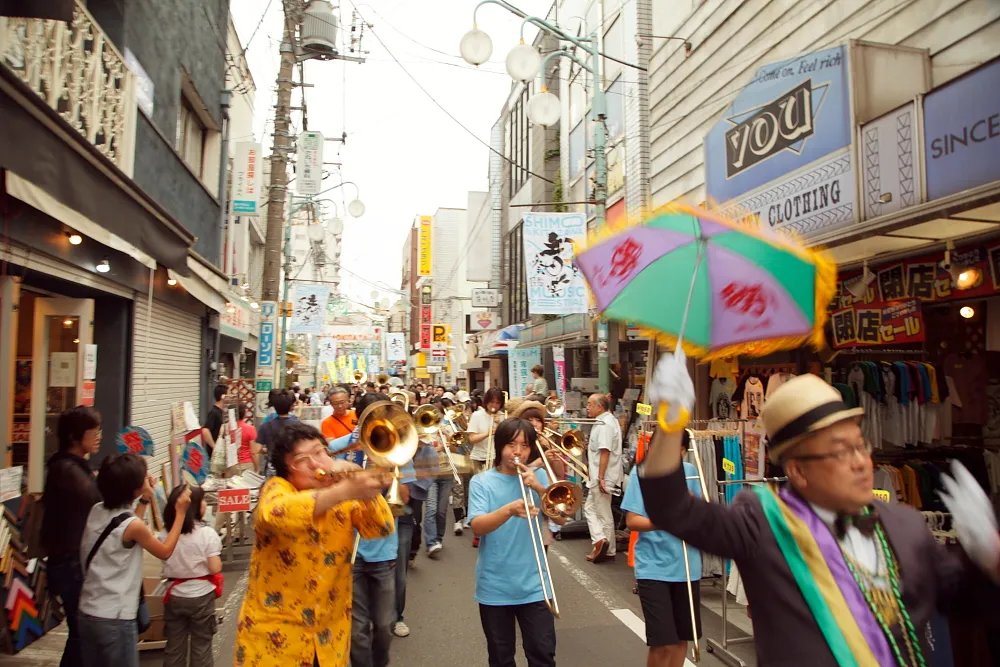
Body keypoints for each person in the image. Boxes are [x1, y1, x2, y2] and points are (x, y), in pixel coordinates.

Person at [639, 355, 1000, 666]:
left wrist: (989, 559)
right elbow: (672, 508)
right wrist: (671, 424)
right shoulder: (763, 523)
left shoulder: (905, 524)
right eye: (841, 451)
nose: (861, 463)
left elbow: (964, 604)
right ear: (798, 471)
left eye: (861, 446)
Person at [234, 421, 393, 667]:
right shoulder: (277, 488)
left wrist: (362, 483)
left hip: (330, 638)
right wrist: (342, 491)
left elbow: (381, 527)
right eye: (301, 460)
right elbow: (273, 513)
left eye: (319, 452)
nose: (317, 464)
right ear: (286, 469)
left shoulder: (342, 493)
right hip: (274, 644)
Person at [78, 453, 192, 667]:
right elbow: (165, 550)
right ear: (133, 488)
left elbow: (127, 526)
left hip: (88, 613)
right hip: (115, 618)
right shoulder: (133, 526)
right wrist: (180, 514)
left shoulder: (97, 511)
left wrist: (144, 499)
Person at [469, 419, 565, 667]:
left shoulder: (538, 476)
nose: (518, 451)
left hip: (536, 585)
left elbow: (561, 519)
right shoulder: (481, 482)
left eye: (524, 445)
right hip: (495, 586)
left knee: (543, 655)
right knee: (501, 659)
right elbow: (478, 526)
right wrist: (509, 510)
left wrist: (540, 488)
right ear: (500, 446)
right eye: (511, 444)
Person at [622, 429, 702, 667]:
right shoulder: (642, 473)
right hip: (653, 568)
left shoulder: (691, 473)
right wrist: (664, 520)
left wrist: (692, 505)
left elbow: (702, 519)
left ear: (683, 451)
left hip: (687, 566)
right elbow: (632, 521)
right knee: (662, 642)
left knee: (681, 640)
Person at [42, 406, 103, 667]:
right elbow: (96, 500)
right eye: (93, 431)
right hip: (69, 563)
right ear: (75, 436)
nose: (99, 436)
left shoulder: (73, 467)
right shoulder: (66, 470)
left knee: (82, 633)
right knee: (82, 633)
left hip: (73, 561)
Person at [351, 459, 417, 667]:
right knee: (358, 630)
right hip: (351, 551)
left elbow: (404, 499)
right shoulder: (345, 449)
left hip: (384, 552)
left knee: (384, 626)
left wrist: (390, 476)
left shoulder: (399, 455)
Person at [161, 485, 222, 667]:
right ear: (195, 507)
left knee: (174, 644)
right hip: (201, 596)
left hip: (174, 595)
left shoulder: (165, 534)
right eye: (202, 500)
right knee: (201, 644)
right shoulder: (207, 534)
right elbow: (214, 568)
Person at [585, 392, 623, 563]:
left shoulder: (605, 424)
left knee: (602, 512)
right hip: (599, 474)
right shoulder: (606, 420)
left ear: (599, 406)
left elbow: (605, 452)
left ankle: (605, 545)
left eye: (589, 404)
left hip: (602, 475)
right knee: (592, 508)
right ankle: (602, 543)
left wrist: (601, 477)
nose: (587, 407)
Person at [254, 389, 299, 477]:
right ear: (291, 407)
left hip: (272, 470)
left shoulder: (266, 426)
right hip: (292, 469)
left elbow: (256, 450)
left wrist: (268, 450)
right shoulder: (298, 425)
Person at [201, 384, 228, 456]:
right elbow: (205, 430)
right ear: (223, 397)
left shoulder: (223, 412)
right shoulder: (214, 412)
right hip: (215, 456)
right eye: (228, 395)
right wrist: (214, 446)